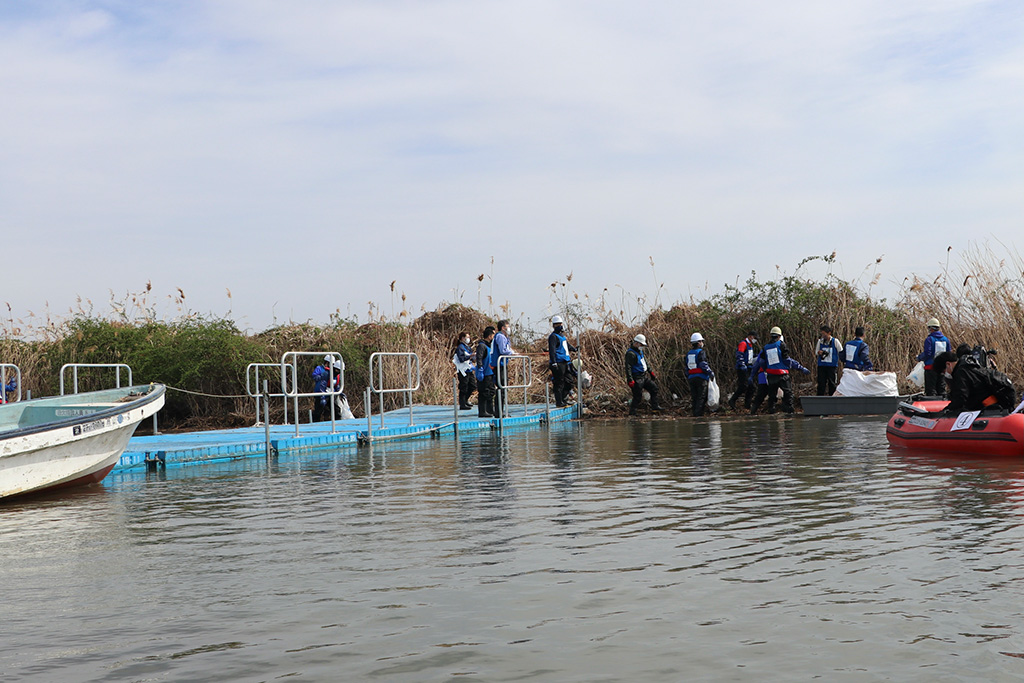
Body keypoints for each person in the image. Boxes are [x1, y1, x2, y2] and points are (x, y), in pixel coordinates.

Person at [932, 351, 1016, 415]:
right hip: (995, 403)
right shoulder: (968, 365)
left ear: (948, 364)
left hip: (991, 406)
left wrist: (946, 411)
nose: (945, 374)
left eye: (943, 371)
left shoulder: (961, 372)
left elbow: (960, 397)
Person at [749, 327, 810, 414]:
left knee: (772, 396)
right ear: (779, 336)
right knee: (788, 393)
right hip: (782, 375)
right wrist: (800, 368)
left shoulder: (765, 347)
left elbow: (760, 362)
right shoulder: (781, 345)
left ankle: (771, 412)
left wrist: (756, 373)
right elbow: (787, 360)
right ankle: (789, 412)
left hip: (771, 376)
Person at [625, 333, 662, 415]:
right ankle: (632, 412)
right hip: (636, 378)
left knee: (654, 388)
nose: (642, 346)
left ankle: (655, 406)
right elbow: (628, 368)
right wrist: (630, 380)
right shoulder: (631, 354)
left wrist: (650, 371)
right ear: (637, 343)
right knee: (637, 396)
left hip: (643, 377)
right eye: (641, 344)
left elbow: (645, 363)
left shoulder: (640, 351)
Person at [548, 315, 578, 408]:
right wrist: (553, 362)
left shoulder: (562, 336)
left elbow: (566, 345)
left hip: (566, 362)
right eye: (557, 324)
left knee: (569, 381)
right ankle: (559, 401)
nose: (559, 326)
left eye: (560, 324)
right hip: (558, 362)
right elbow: (552, 350)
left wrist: (574, 349)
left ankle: (564, 399)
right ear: (553, 326)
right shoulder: (553, 337)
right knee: (559, 382)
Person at [917, 318, 951, 397]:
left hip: (930, 368)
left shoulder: (929, 339)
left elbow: (927, 353)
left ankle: (931, 406)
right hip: (942, 368)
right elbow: (949, 354)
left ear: (931, 328)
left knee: (931, 390)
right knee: (941, 389)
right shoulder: (946, 340)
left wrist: (919, 358)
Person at [490, 320, 516, 416]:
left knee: (503, 388)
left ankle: (500, 410)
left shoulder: (505, 337)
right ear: (503, 328)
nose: (509, 328)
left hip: (502, 364)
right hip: (499, 365)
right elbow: (503, 350)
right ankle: (498, 411)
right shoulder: (500, 336)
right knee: (501, 388)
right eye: (507, 326)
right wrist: (511, 353)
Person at [686, 332, 715, 416]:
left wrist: (689, 375)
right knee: (701, 397)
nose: (702, 343)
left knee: (694, 398)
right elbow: (703, 364)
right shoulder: (701, 352)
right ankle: (698, 416)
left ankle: (694, 414)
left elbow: (686, 367)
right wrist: (710, 372)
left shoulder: (689, 353)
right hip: (701, 378)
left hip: (691, 378)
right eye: (701, 341)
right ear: (698, 343)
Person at [728, 331, 757, 411]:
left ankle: (747, 405)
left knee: (751, 387)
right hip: (742, 369)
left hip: (749, 368)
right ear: (751, 337)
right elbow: (739, 355)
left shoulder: (750, 345)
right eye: (755, 338)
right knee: (743, 386)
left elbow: (749, 356)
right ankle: (732, 400)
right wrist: (742, 365)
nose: (755, 340)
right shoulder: (743, 344)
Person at [814, 324, 843, 396]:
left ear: (829, 333)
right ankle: (819, 399)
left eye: (824, 334)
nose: (823, 335)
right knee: (821, 383)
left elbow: (841, 351)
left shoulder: (835, 341)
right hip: (822, 366)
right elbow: (816, 352)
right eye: (822, 334)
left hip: (832, 367)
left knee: (832, 383)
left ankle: (832, 399)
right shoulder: (820, 341)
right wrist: (820, 352)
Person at [452, 331, 477, 410]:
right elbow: (461, 358)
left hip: (468, 369)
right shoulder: (460, 348)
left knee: (472, 385)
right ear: (462, 338)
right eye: (467, 337)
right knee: (464, 386)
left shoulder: (467, 347)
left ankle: (465, 400)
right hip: (463, 370)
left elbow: (471, 357)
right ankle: (462, 403)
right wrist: (470, 356)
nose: (468, 339)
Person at [475, 326, 496, 417]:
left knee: (490, 392)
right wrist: (480, 369)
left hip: (490, 373)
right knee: (483, 392)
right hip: (484, 373)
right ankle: (482, 411)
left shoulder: (489, 346)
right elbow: (479, 358)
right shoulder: (482, 346)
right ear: (490, 336)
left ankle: (490, 410)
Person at [311, 355, 333, 422]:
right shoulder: (319, 368)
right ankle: (315, 423)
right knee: (318, 410)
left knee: (328, 410)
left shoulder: (331, 370)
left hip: (328, 392)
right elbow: (314, 377)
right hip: (319, 392)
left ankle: (327, 422)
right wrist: (322, 376)